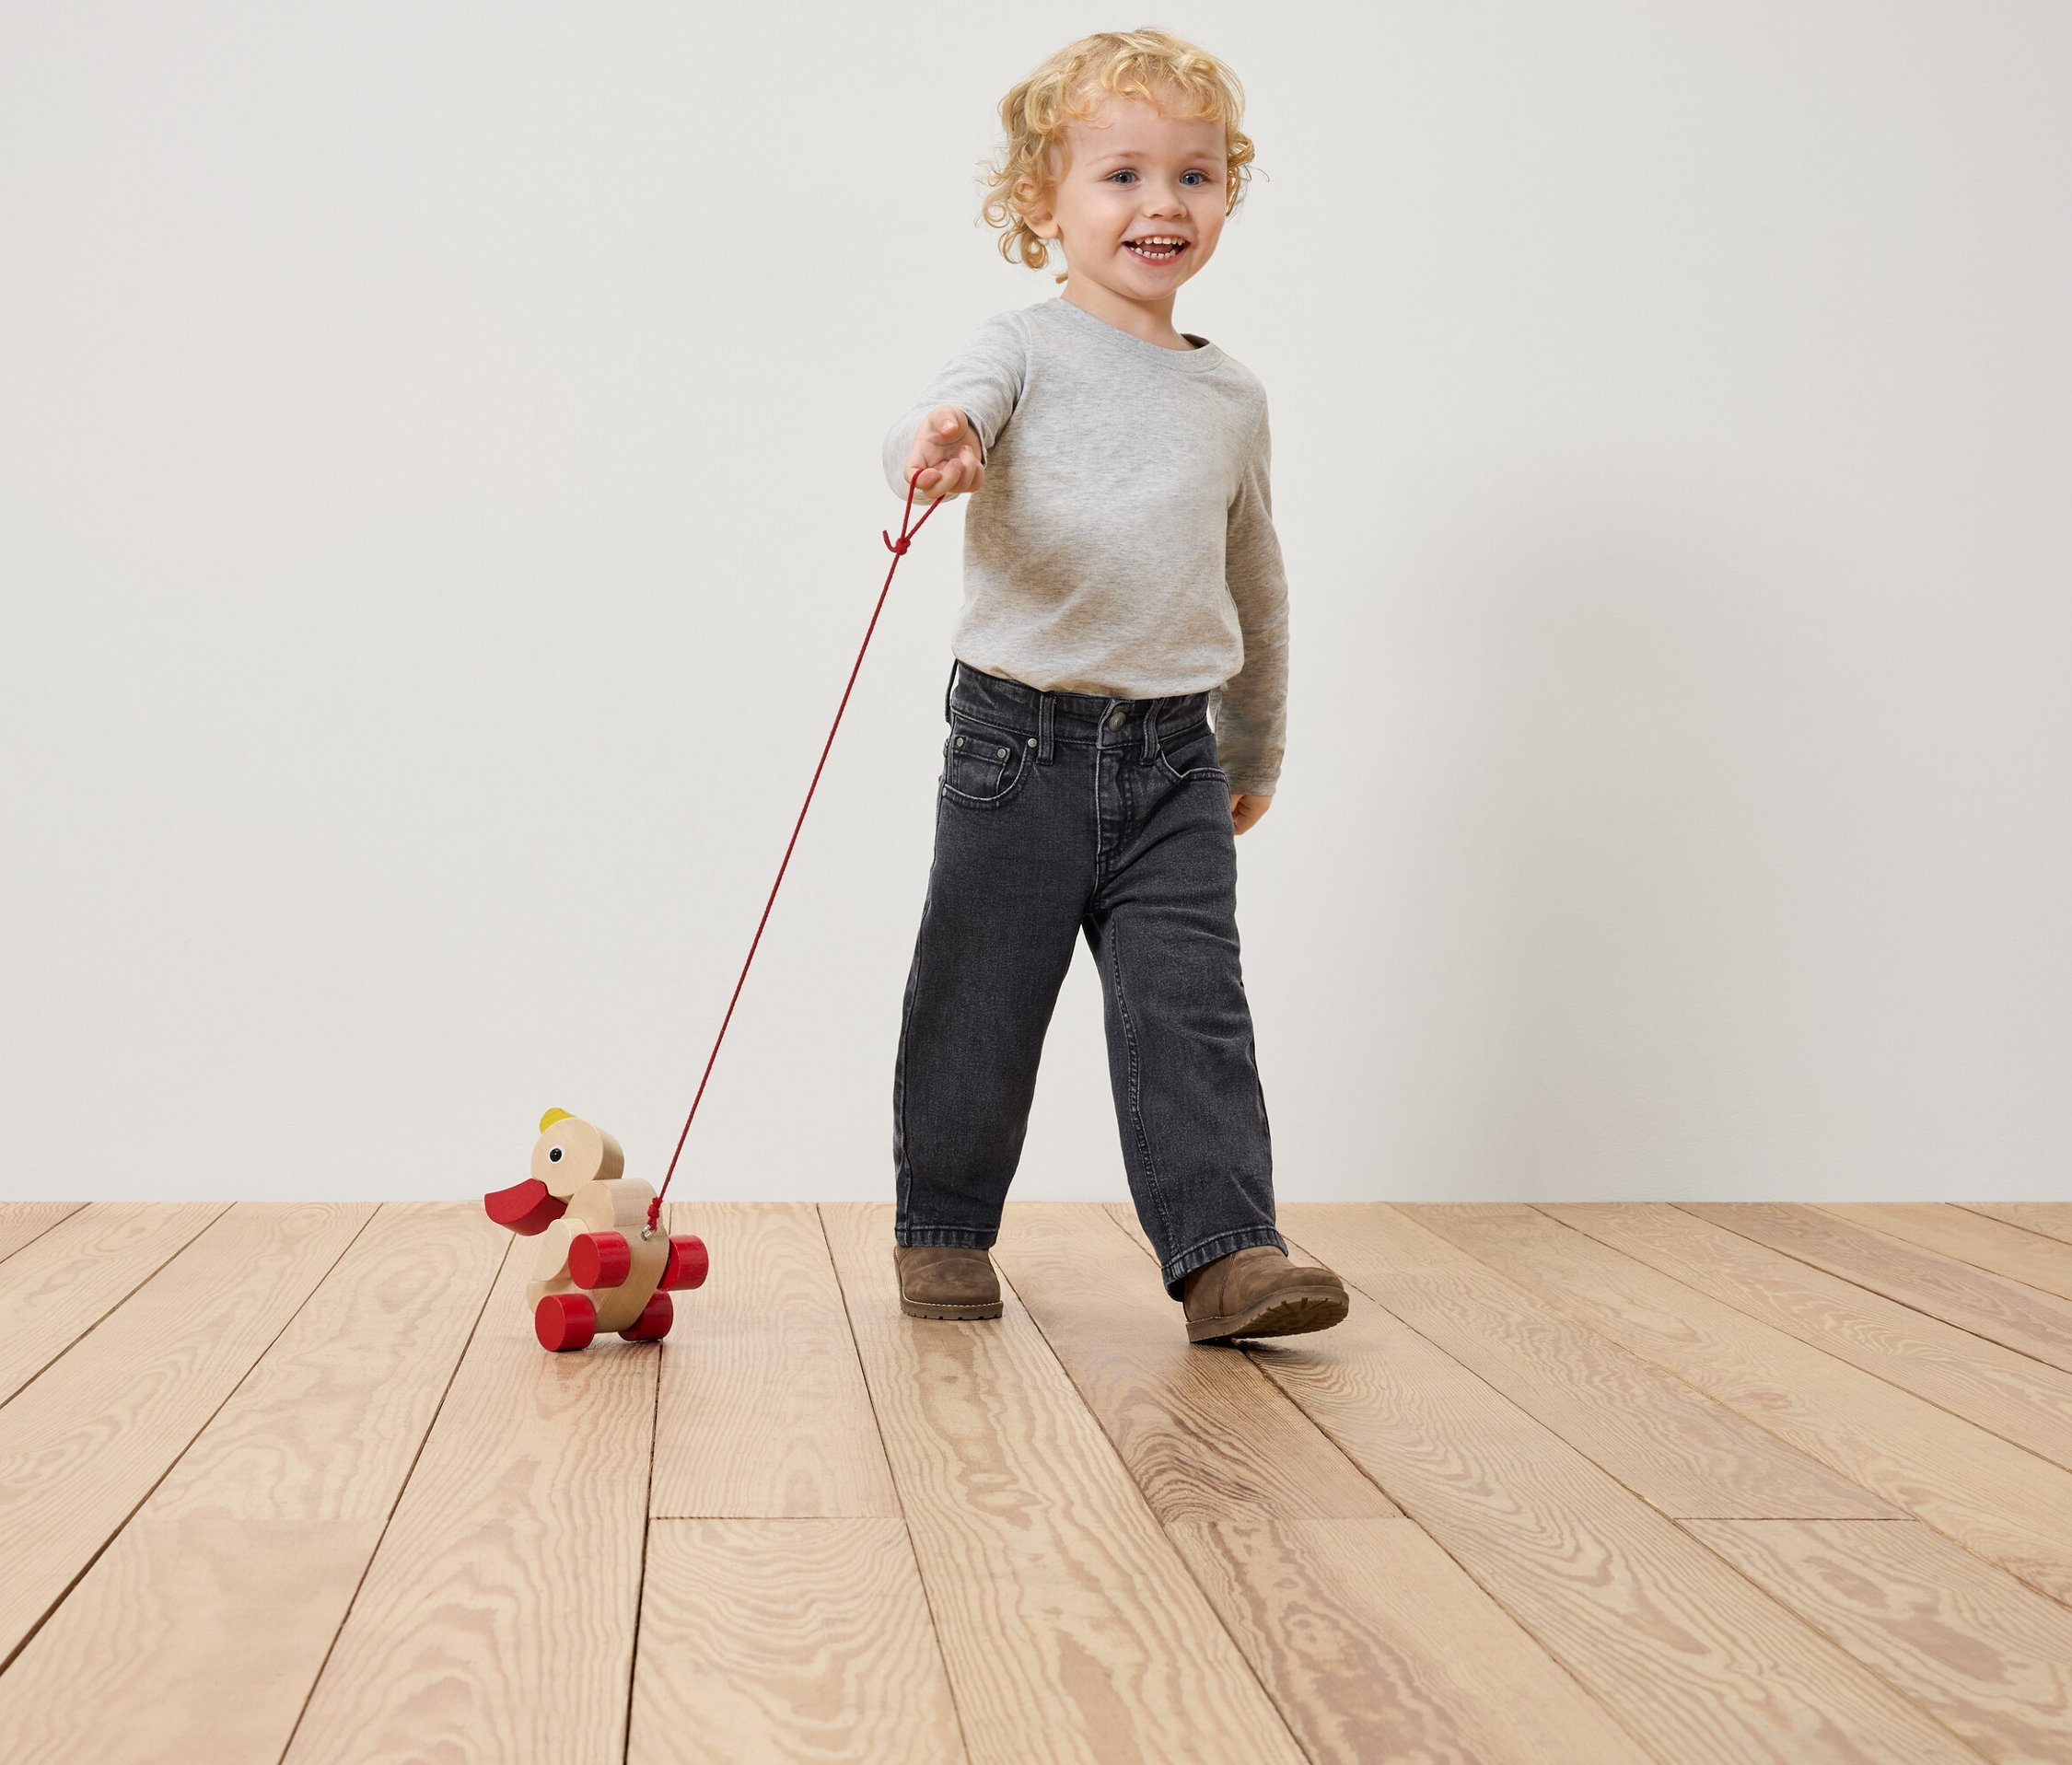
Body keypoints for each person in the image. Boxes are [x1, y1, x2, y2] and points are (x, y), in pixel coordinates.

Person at [884, 29, 1347, 1343]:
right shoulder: (1017, 348)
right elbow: (943, 413)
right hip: (1013, 748)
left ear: (1224, 199)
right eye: (1120, 175)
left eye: (1193, 177)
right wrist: (939, 447)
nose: (1160, 205)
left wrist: (1251, 746)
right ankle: (943, 1230)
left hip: (1171, 762)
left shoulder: (1229, 397)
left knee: (1189, 1004)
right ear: (1041, 201)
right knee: (980, 992)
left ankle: (1226, 1255)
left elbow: (1252, 581)